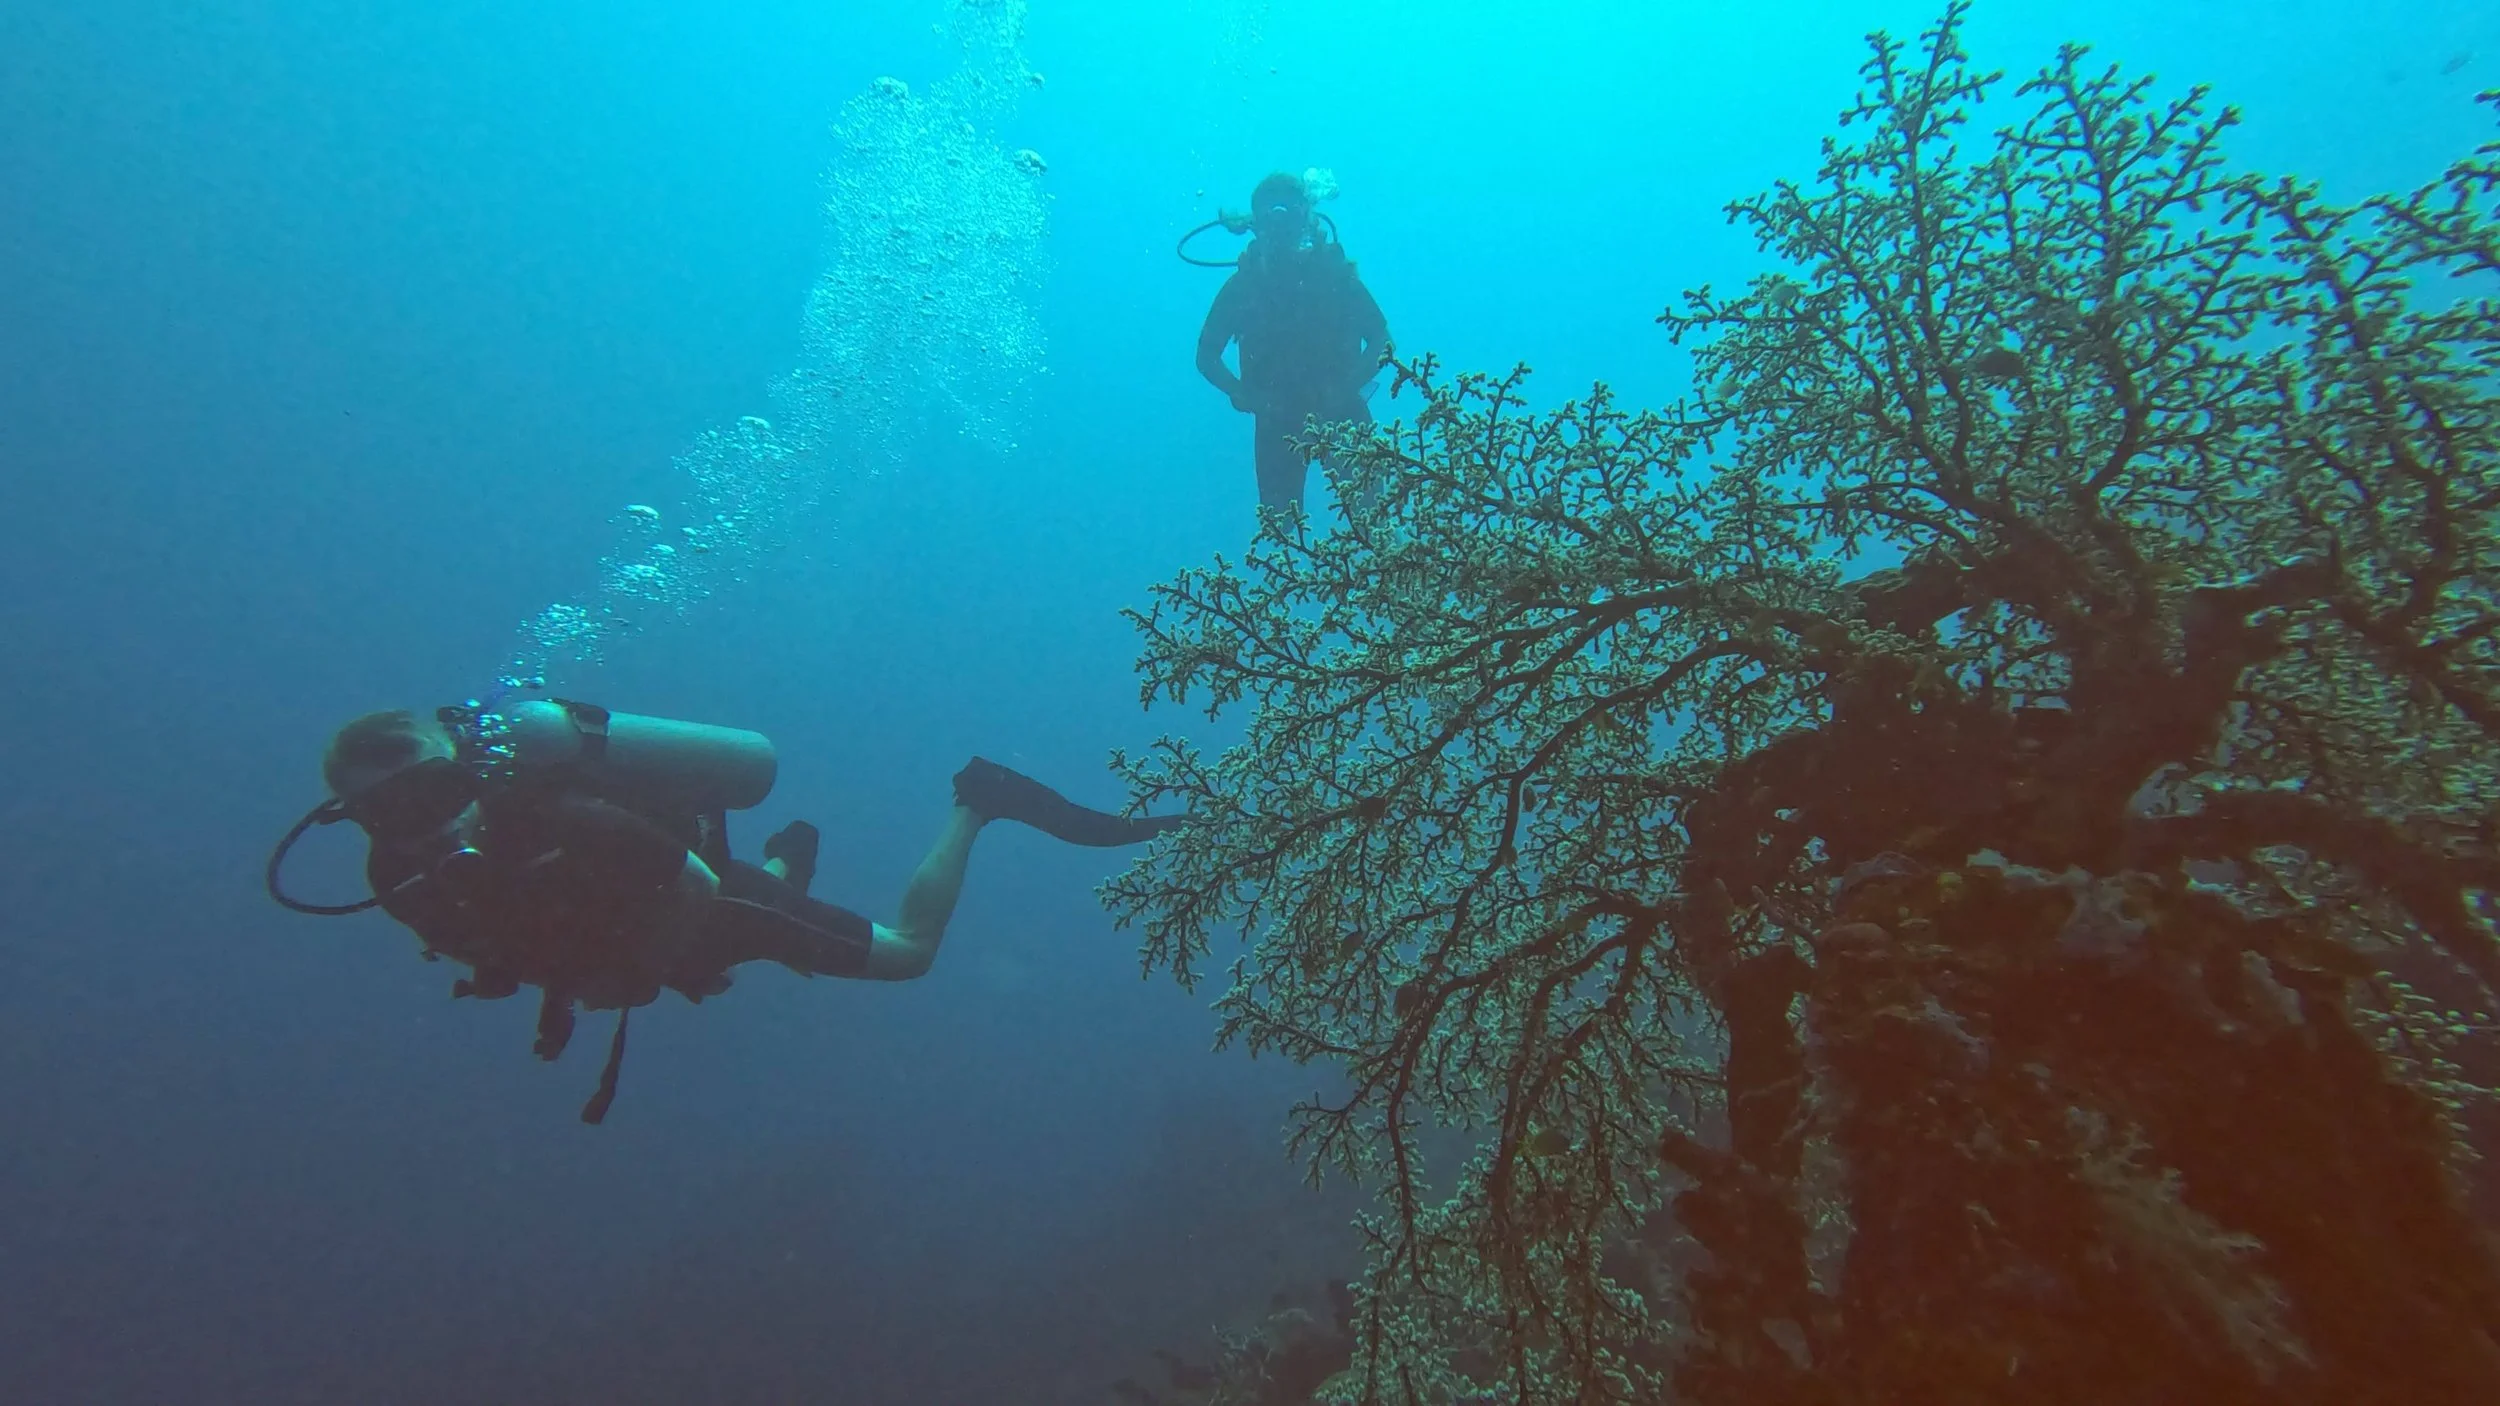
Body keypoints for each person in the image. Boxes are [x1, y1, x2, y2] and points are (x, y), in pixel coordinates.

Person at [267, 698, 1178, 1122]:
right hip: (647, 932)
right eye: (386, 815)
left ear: (462, 771)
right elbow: (505, 932)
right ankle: (787, 856)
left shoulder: (554, 812)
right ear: (352, 820)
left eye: (430, 793)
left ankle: (978, 799)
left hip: (694, 903)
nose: (423, 826)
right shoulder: (397, 880)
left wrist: (629, 977)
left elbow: (694, 891)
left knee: (906, 954)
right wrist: (536, 976)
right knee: (732, 942)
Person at [1195, 171, 1393, 517]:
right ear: (1257, 223)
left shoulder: (1335, 274)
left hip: (1338, 411)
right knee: (1281, 526)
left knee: (1373, 516)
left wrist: (1344, 389)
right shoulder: (1245, 284)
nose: (1281, 225)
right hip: (1278, 417)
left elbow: (1381, 340)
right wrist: (1243, 393)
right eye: (1272, 215)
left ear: (1306, 216)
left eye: (1289, 212)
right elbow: (1206, 356)